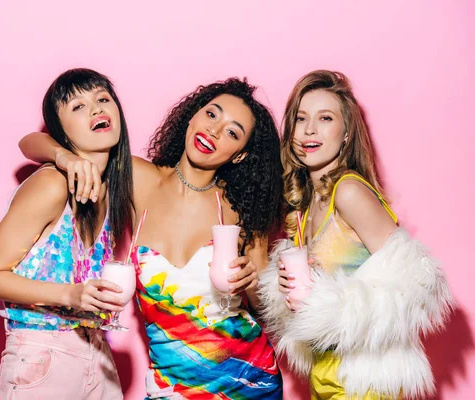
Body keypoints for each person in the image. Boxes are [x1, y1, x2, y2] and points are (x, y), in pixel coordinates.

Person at [20, 77, 285, 399]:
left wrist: (251, 282)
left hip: (249, 380)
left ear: (240, 155)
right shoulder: (138, 178)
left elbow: (265, 308)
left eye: (232, 132)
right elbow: (29, 143)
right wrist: (66, 158)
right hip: (171, 385)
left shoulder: (241, 209)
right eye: (212, 114)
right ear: (193, 116)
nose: (214, 131)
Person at [258, 70, 454, 399]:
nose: (309, 130)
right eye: (301, 118)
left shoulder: (348, 192)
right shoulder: (305, 206)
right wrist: (285, 288)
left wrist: (335, 307)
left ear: (347, 132)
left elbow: (415, 281)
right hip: (326, 373)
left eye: (325, 118)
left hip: (364, 381)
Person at [0, 68, 134, 399]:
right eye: (78, 106)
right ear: (61, 131)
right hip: (41, 357)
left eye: (103, 99)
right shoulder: (52, 184)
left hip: (98, 355)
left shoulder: (109, 192)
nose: (97, 108)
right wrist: (71, 295)